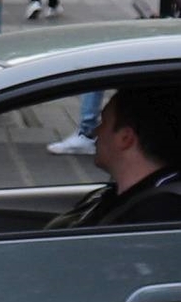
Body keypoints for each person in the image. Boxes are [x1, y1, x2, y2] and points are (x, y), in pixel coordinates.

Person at [49, 86, 181, 226]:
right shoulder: (123, 197)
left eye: (103, 123)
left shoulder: (153, 215)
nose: (95, 132)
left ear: (125, 138)